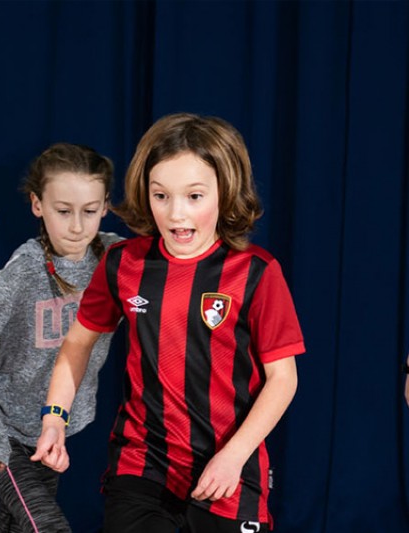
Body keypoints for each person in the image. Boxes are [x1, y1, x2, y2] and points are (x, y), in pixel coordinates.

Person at [33, 113, 304, 533]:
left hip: (229, 459)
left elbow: (283, 379)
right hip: (143, 460)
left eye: (194, 196)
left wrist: (233, 457)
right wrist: (54, 419)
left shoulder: (256, 273)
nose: (176, 214)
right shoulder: (124, 263)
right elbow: (76, 344)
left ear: (224, 192)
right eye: (161, 196)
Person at [0, 143, 121, 533]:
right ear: (37, 204)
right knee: (47, 527)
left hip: (53, 432)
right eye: (63, 211)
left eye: (89, 211)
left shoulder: (117, 257)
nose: (77, 227)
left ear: (105, 207)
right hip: (5, 431)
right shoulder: (25, 271)